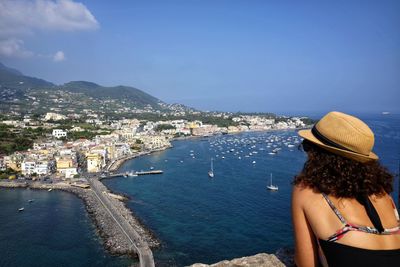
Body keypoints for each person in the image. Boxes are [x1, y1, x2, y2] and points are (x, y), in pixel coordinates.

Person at [292, 111, 400, 267]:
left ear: (318, 154)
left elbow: (305, 263)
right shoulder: (381, 192)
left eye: (308, 146)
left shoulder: (305, 190)